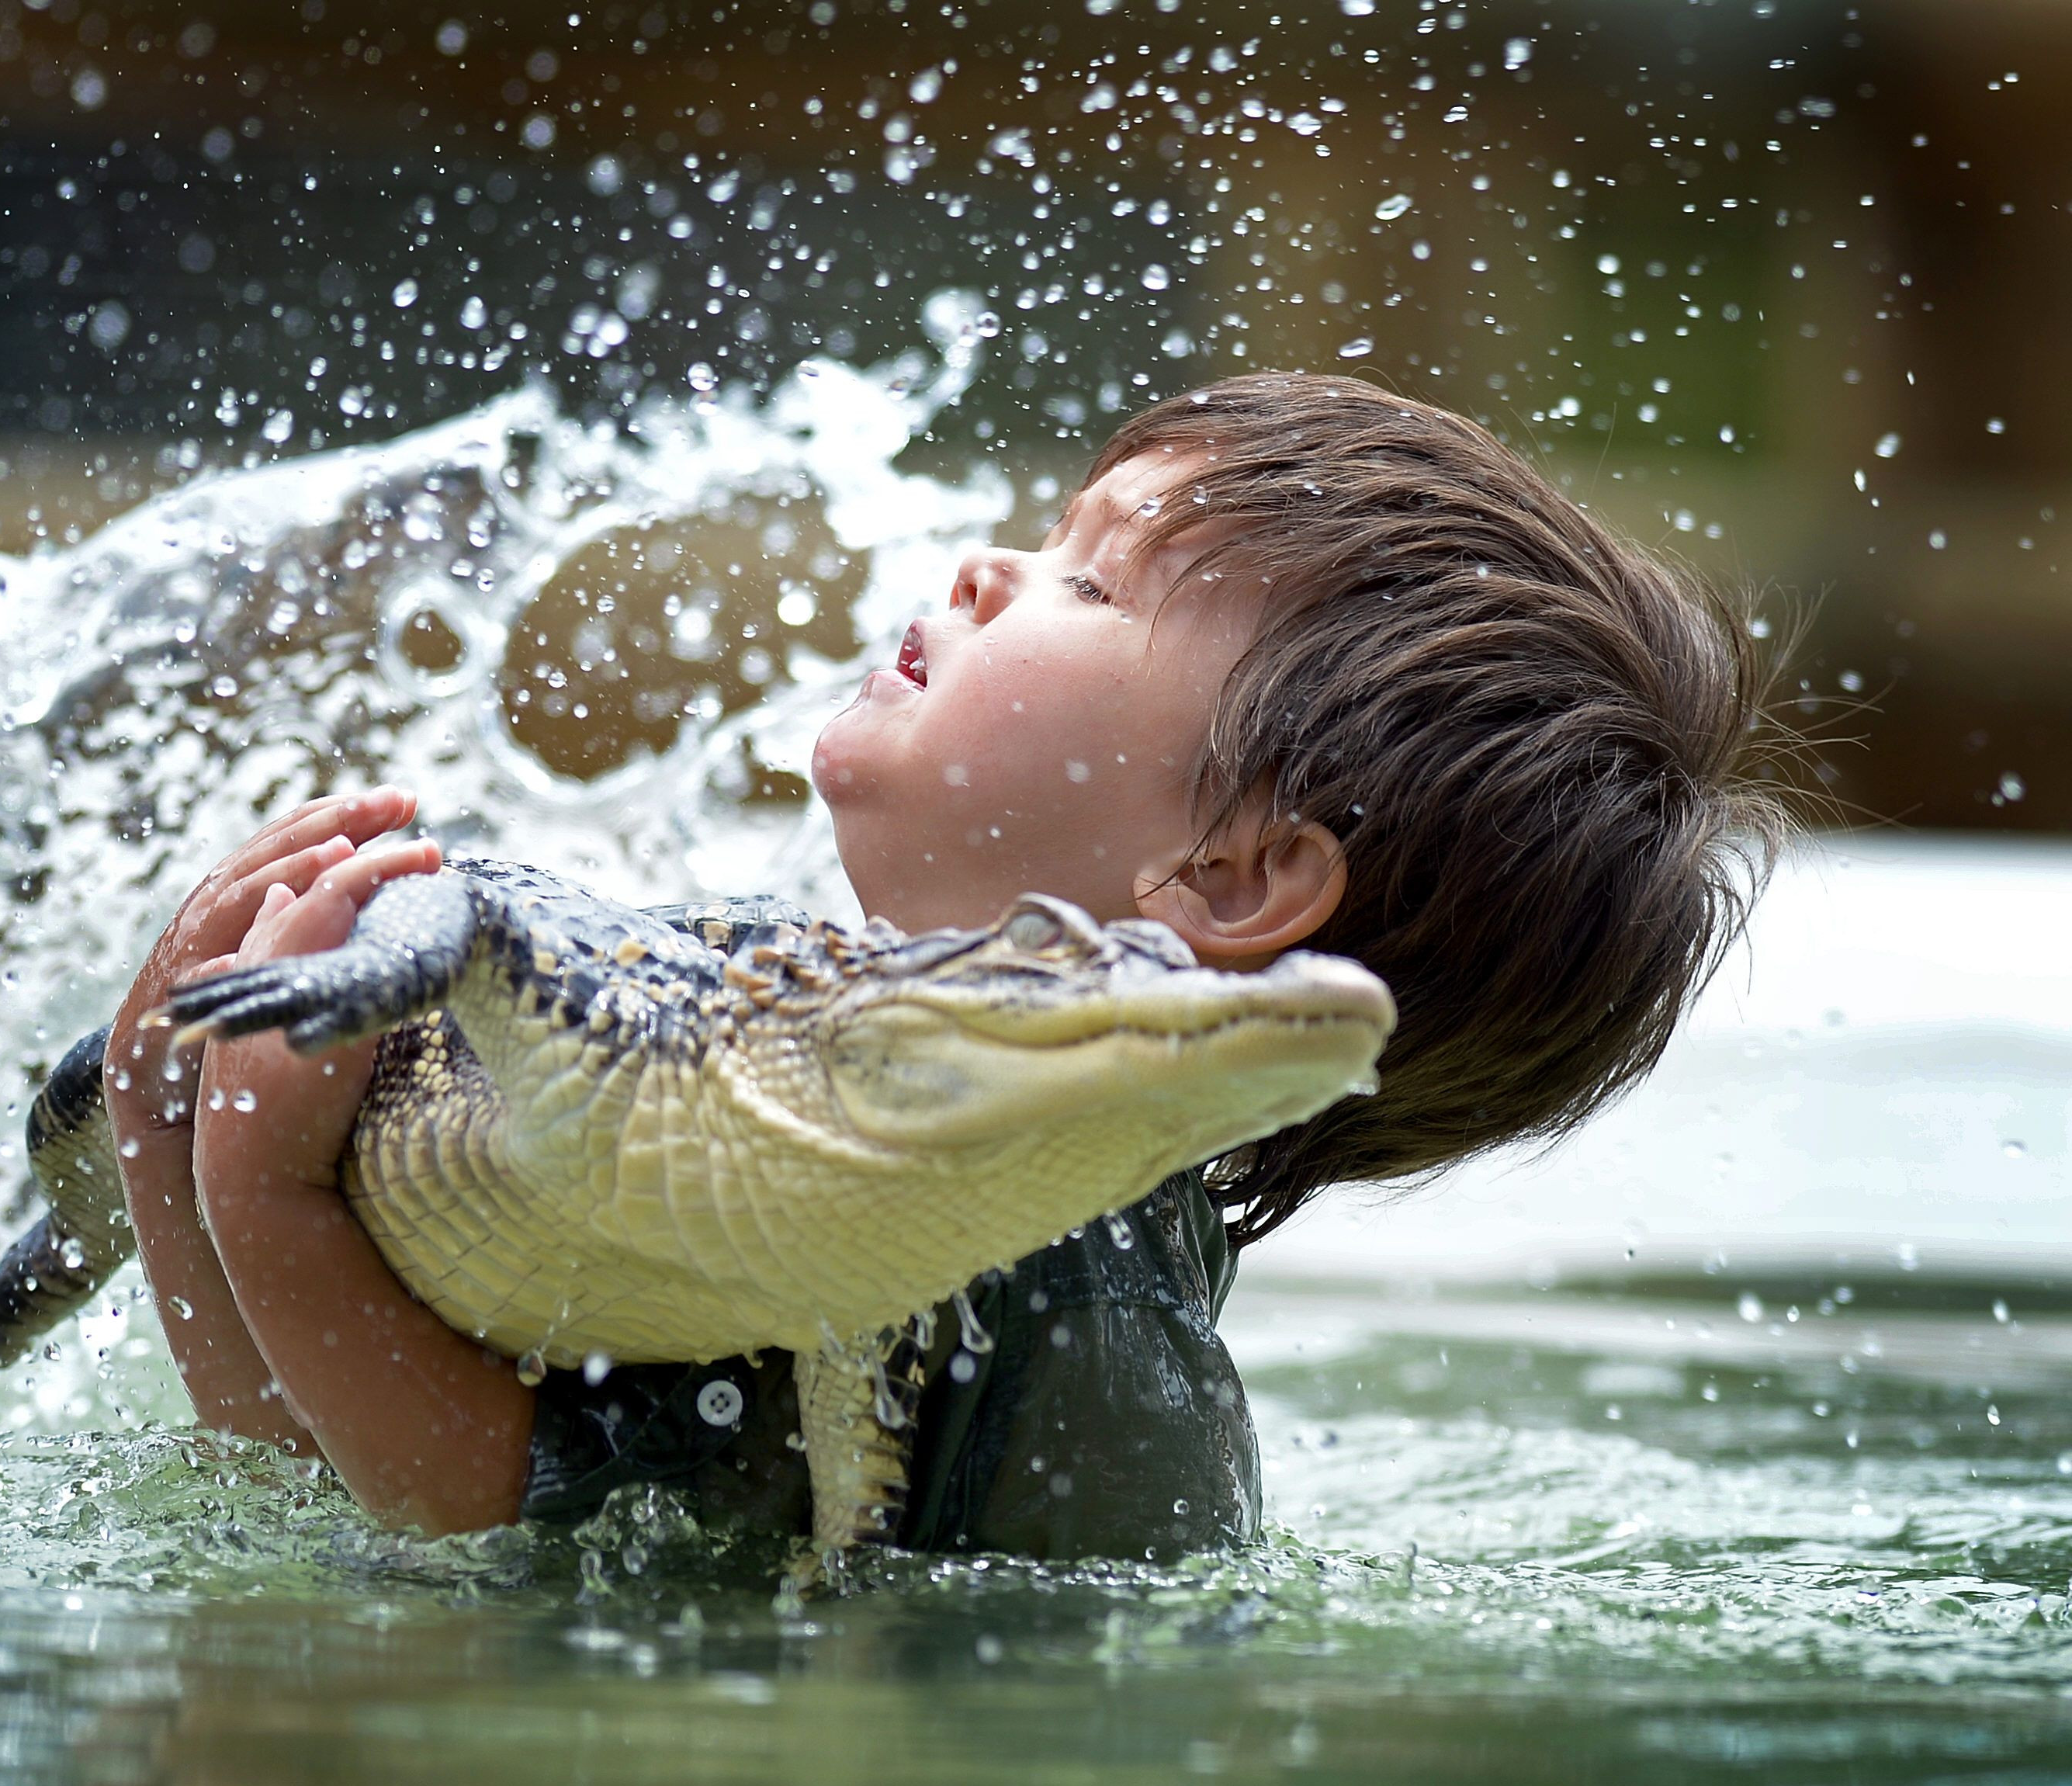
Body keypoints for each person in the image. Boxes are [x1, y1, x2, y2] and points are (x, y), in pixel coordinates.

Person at [98, 372, 1788, 1558]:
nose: (987, 567)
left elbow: (520, 1549)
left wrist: (255, 1187)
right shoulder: (828, 1075)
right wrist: (161, 1115)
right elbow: (312, 1491)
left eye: (1090, 580)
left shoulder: (1026, 1246)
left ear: (1227, 878)